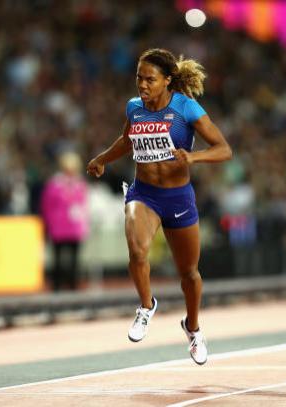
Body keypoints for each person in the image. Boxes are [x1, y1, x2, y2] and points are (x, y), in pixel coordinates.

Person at [86, 48, 232, 365]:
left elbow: (223, 149)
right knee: (137, 251)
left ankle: (192, 328)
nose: (142, 84)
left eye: (150, 79)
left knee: (189, 274)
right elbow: (126, 140)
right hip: (144, 194)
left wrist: (194, 157)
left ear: (167, 80)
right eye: (139, 77)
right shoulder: (134, 108)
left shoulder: (186, 107)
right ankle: (146, 305)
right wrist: (102, 159)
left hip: (178, 198)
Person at [41, 151, 89, 291]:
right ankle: (56, 287)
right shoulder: (54, 185)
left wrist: (83, 225)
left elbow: (83, 206)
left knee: (74, 260)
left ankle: (72, 286)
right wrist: (49, 224)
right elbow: (47, 206)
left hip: (74, 228)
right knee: (58, 259)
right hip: (59, 227)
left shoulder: (79, 185)